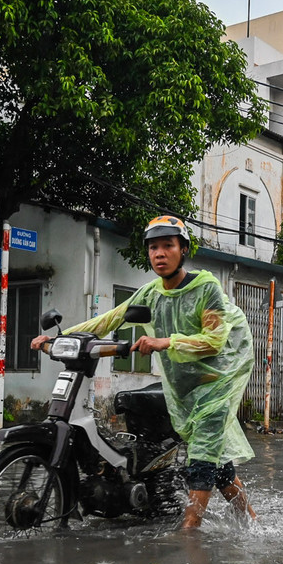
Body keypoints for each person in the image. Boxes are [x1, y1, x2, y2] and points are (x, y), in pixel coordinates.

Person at [30, 215, 256, 532]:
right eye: (153, 248)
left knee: (203, 456)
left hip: (216, 381)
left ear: (183, 250)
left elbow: (214, 340)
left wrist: (166, 341)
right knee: (219, 468)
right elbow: (109, 320)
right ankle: (251, 521)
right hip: (183, 384)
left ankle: (188, 535)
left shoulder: (207, 289)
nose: (159, 254)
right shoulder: (151, 293)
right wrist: (62, 338)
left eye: (168, 246)